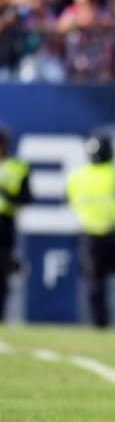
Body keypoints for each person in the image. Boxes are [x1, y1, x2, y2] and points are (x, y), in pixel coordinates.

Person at [65, 129, 115, 329]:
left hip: (91, 235)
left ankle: (99, 324)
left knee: (95, 283)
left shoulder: (78, 175)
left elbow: (68, 199)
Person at [0, 126, 31, 321]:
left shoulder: (16, 166)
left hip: (4, 226)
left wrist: (6, 193)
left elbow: (25, 197)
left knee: (1, 275)